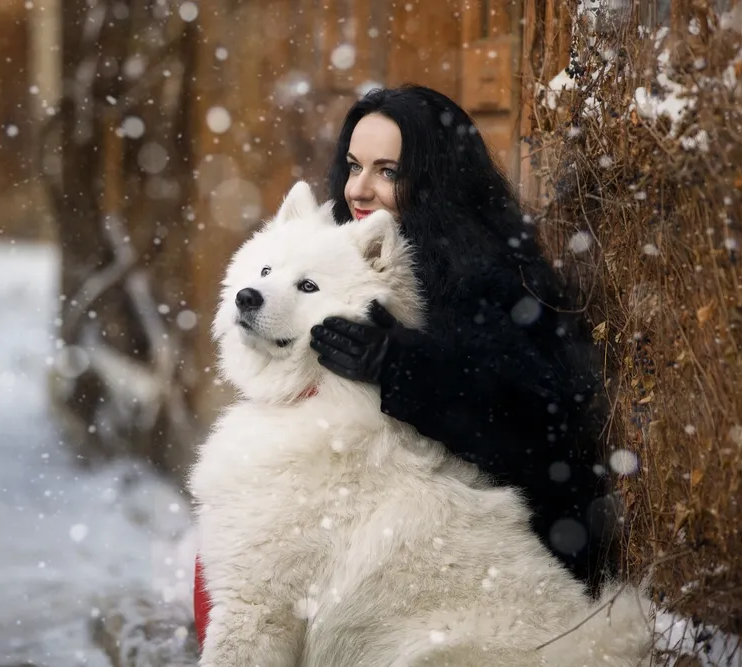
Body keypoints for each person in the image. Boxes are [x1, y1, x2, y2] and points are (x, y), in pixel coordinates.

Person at [193, 84, 619, 650]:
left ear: (434, 178)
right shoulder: (344, 253)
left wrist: (406, 368)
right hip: (403, 559)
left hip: (477, 576)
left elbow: (537, 433)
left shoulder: (485, 281)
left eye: (387, 170)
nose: (359, 189)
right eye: (353, 166)